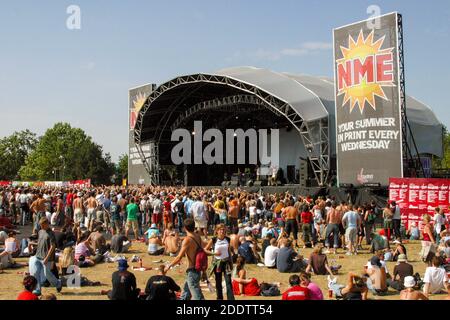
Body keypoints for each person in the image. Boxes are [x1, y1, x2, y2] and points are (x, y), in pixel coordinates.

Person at [164, 218, 205, 300]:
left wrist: (169, 266)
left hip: (192, 269)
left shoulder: (187, 240)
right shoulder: (198, 237)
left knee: (197, 295)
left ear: (185, 228)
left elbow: (179, 257)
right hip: (197, 268)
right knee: (186, 292)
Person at [31, 217, 62, 295]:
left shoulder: (51, 233)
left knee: (47, 274)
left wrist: (47, 258)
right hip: (38, 256)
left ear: (46, 224)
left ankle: (58, 284)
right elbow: (40, 242)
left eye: (42, 225)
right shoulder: (40, 231)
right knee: (35, 273)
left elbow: (53, 246)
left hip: (46, 258)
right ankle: (37, 290)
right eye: (40, 225)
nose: (41, 226)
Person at [204, 224, 235, 300]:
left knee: (228, 282)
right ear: (217, 231)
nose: (222, 231)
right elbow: (205, 250)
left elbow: (228, 251)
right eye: (220, 229)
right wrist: (214, 253)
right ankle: (219, 298)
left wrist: (231, 263)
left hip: (226, 263)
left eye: (224, 229)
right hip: (217, 264)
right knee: (218, 282)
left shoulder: (228, 239)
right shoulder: (213, 239)